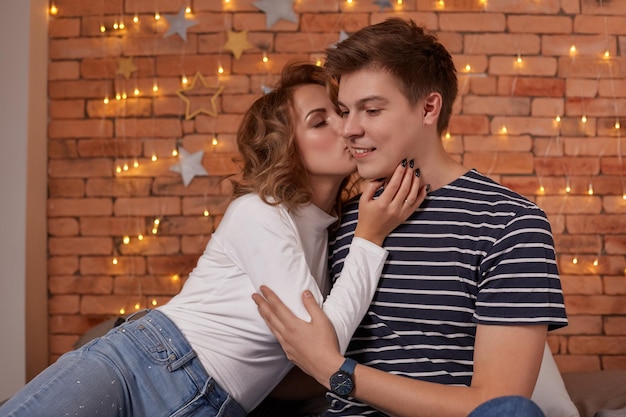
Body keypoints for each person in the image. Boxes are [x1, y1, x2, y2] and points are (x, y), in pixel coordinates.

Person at [0, 62, 428, 417]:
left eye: (343, 112)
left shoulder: (324, 230)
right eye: (321, 120)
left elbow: (308, 362)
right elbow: (322, 342)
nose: (347, 127)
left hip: (210, 405)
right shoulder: (260, 213)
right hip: (140, 366)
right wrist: (370, 238)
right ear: (287, 147)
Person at [252, 18, 569, 417]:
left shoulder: (511, 224)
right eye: (345, 111)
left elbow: (494, 404)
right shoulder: (342, 221)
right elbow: (299, 353)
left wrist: (336, 371)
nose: (349, 129)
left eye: (371, 110)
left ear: (428, 108)